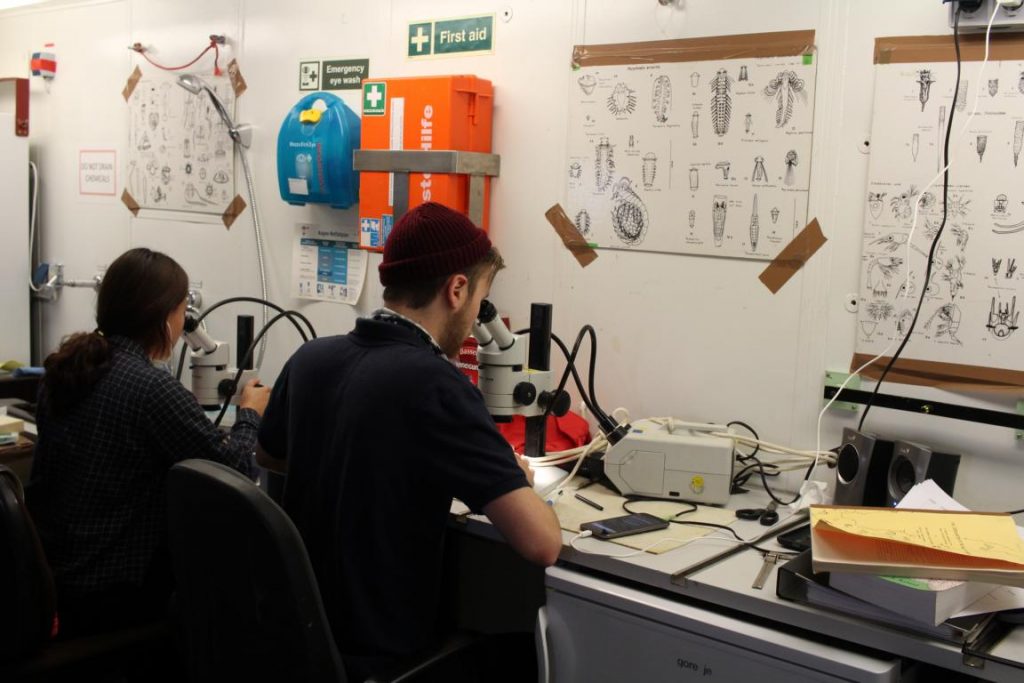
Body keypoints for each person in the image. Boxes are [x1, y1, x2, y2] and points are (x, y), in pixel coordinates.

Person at [256, 202, 562, 678]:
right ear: (457, 289)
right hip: (380, 654)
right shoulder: (437, 385)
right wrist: (505, 478)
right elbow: (542, 544)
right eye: (483, 299)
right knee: (527, 655)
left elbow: (269, 456)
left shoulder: (310, 357)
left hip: (301, 640)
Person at [28, 247, 270, 637]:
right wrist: (250, 412)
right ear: (165, 319)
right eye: (180, 312)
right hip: (110, 593)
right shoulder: (151, 389)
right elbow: (239, 471)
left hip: (51, 575)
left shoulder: (67, 366)